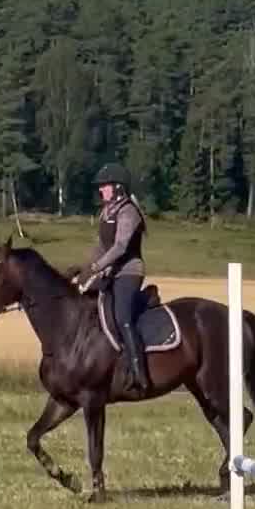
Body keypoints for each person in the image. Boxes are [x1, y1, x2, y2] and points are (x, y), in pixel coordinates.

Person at [77, 164, 151, 396]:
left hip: (129, 272)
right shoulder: (106, 211)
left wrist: (99, 267)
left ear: (118, 188)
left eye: (105, 186)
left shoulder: (129, 212)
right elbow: (100, 246)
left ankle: (140, 374)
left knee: (122, 318)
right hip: (110, 272)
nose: (101, 191)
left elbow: (120, 247)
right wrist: (85, 270)